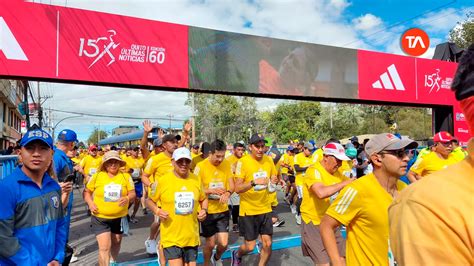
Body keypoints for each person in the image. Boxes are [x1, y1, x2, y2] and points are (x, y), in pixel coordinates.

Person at [388, 43, 474, 265]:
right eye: (446, 144)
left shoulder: (457, 156)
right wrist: (425, 184)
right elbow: (414, 173)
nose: (450, 147)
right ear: (436, 145)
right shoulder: (425, 204)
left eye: (452, 144)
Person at [320, 133, 417, 265]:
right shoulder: (357, 190)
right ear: (377, 159)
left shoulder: (404, 189)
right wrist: (337, 261)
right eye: (398, 154)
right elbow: (326, 225)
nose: (406, 158)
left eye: (406, 153)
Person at [0, 127, 67, 265]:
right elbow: (3, 238)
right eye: (30, 148)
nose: (36, 153)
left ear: (51, 154)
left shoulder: (54, 187)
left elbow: (60, 225)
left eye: (43, 148)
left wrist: (58, 257)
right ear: (20, 153)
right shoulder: (6, 188)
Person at [147, 147, 208, 266]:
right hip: (171, 236)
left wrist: (204, 210)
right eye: (180, 161)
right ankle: (162, 251)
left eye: (187, 161)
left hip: (191, 236)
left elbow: (203, 198)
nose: (184, 164)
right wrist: (157, 211)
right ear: (172, 162)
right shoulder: (162, 181)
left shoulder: (196, 179)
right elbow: (149, 200)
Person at [300, 142, 354, 265]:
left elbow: (354, 186)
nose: (340, 164)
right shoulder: (313, 171)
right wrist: (344, 183)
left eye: (342, 161)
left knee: (342, 260)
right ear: (326, 157)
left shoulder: (338, 173)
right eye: (337, 160)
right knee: (324, 263)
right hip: (313, 222)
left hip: (331, 222)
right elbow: (320, 192)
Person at [231, 133, 278, 266]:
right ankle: (237, 254)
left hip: (265, 208)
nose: (260, 149)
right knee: (250, 247)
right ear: (250, 147)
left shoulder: (268, 160)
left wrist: (274, 181)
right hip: (248, 211)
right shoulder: (243, 162)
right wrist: (253, 182)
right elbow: (237, 188)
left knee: (268, 244)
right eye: (257, 146)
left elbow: (273, 180)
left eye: (262, 146)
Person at [83, 150, 136, 266]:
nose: (113, 165)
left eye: (115, 162)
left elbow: (132, 194)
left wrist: (127, 198)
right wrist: (90, 203)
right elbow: (87, 192)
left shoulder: (125, 176)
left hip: (120, 217)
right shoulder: (97, 176)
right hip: (100, 218)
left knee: (116, 242)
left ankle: (112, 262)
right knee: (104, 247)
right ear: (105, 164)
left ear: (119, 163)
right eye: (109, 162)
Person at [194, 139, 234, 266]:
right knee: (210, 244)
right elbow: (194, 188)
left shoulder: (226, 164)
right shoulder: (200, 166)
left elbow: (232, 185)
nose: (220, 159)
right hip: (207, 210)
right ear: (210, 153)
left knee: (223, 244)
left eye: (222, 156)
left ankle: (216, 258)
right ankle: (206, 263)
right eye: (217, 156)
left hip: (222, 210)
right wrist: (210, 190)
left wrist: (227, 193)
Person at [142, 134, 178, 262]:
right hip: (160, 200)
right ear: (164, 145)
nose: (175, 144)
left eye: (176, 142)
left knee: (169, 227)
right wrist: (152, 185)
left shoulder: (180, 159)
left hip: (177, 200)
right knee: (159, 223)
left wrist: (185, 133)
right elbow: (144, 176)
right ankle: (152, 240)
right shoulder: (156, 159)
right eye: (172, 142)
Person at [53, 129, 78, 265]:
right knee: (61, 231)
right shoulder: (57, 157)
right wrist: (59, 186)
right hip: (60, 202)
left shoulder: (61, 156)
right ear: (71, 143)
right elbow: (50, 179)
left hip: (65, 200)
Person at [293, 142, 314, 225]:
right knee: (302, 198)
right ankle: (298, 214)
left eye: (311, 150)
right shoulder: (297, 157)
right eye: (309, 150)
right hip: (300, 181)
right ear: (304, 149)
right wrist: (307, 168)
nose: (310, 152)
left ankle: (306, 213)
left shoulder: (312, 157)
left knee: (309, 199)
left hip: (309, 182)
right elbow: (297, 168)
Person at [226, 141, 246, 233]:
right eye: (239, 149)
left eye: (242, 150)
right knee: (235, 205)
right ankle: (235, 224)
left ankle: (238, 223)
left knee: (238, 205)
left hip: (242, 186)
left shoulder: (246, 159)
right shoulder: (228, 160)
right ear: (234, 150)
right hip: (231, 186)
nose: (241, 151)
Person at [124, 146, 145, 223]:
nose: (136, 151)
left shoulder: (141, 159)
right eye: (134, 150)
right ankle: (124, 214)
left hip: (138, 182)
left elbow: (144, 170)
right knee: (130, 200)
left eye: (137, 150)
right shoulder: (126, 159)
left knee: (138, 200)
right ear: (131, 151)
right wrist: (128, 171)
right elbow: (121, 169)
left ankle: (133, 216)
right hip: (130, 182)